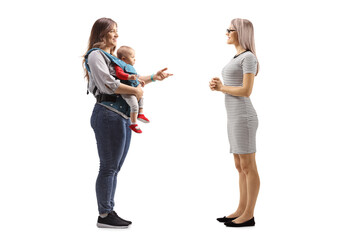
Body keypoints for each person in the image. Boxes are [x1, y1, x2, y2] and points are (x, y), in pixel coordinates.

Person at [83, 17, 173, 228]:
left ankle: (108, 210)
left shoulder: (112, 58)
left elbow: (131, 81)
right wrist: (135, 90)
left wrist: (153, 78)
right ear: (102, 33)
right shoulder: (96, 55)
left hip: (120, 116)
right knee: (108, 167)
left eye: (117, 31)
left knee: (114, 167)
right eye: (113, 31)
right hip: (107, 114)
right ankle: (104, 215)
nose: (116, 35)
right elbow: (108, 85)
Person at [209, 18, 260, 227]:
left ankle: (249, 214)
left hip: (244, 117)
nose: (227, 33)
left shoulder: (248, 58)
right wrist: (217, 85)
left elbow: (246, 91)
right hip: (234, 117)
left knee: (249, 166)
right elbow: (232, 85)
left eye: (230, 30)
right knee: (240, 166)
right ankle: (240, 209)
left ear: (240, 32)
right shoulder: (236, 57)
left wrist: (222, 88)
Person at [114, 46, 149, 134]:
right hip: (127, 91)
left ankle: (140, 114)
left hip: (134, 88)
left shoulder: (130, 67)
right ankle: (133, 123)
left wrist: (139, 81)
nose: (134, 59)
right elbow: (119, 74)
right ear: (124, 59)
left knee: (141, 99)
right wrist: (129, 77)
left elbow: (135, 76)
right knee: (134, 105)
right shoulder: (119, 65)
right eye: (132, 57)